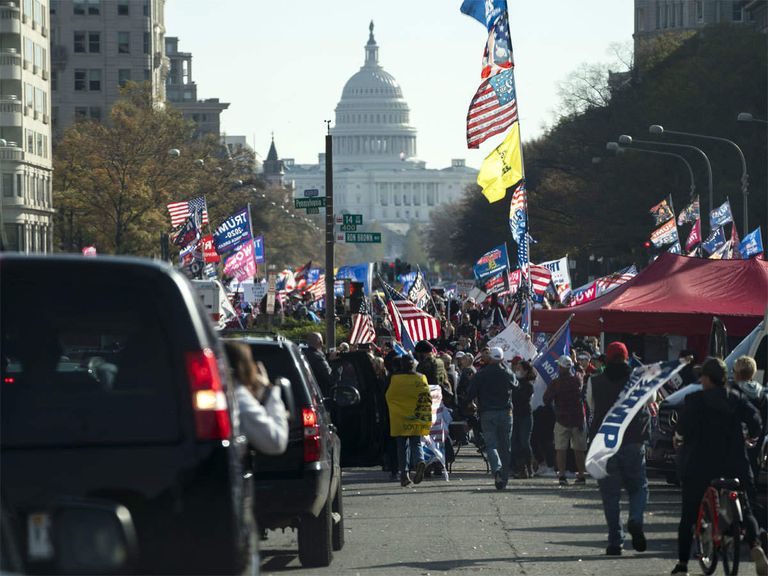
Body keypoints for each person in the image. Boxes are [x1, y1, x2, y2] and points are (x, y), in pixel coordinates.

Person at [671, 357, 767, 576]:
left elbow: (682, 427)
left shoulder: (695, 400)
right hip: (735, 462)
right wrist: (752, 437)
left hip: (701, 465)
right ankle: (755, 545)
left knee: (688, 514)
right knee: (747, 505)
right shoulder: (737, 398)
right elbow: (755, 421)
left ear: (706, 378)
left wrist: (678, 437)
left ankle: (683, 564)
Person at [589, 342, 649, 556]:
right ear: (626, 357)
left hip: (606, 443)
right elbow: (648, 405)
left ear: (607, 357)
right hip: (633, 440)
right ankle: (635, 518)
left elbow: (592, 409)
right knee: (638, 487)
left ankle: (615, 541)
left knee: (610, 495)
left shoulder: (595, 381)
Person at [465, 347, 517, 490]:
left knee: (491, 444)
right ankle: (504, 478)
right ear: (501, 358)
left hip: (487, 413)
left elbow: (470, 393)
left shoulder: (481, 374)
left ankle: (497, 470)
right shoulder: (506, 372)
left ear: (489, 358)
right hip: (505, 412)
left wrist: (471, 403)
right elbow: (516, 385)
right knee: (505, 447)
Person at [224, 341, 289, 456]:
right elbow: (277, 441)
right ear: (244, 366)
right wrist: (269, 391)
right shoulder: (239, 398)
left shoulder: (218, 393)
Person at [385, 354, 431, 487]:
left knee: (402, 446)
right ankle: (419, 461)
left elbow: (387, 395)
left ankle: (404, 474)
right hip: (416, 416)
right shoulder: (421, 378)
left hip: (399, 417)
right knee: (416, 442)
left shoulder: (394, 378)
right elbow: (426, 397)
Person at [543, 355, 587, 486]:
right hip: (578, 419)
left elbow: (546, 399)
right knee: (579, 450)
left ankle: (562, 475)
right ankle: (581, 475)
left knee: (560, 449)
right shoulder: (577, 381)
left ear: (561, 367)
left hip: (562, 419)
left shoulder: (556, 383)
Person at [511, 360, 536, 479]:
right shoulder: (514, 382)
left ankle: (529, 467)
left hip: (525, 416)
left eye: (520, 368)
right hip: (514, 416)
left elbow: (522, 399)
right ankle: (519, 468)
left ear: (526, 371)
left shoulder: (528, 385)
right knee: (515, 443)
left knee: (524, 442)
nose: (517, 370)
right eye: (516, 368)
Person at [415, 340, 452, 407]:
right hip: (441, 396)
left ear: (422, 353)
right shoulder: (439, 361)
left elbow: (419, 383)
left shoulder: (424, 365)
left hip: (430, 398)